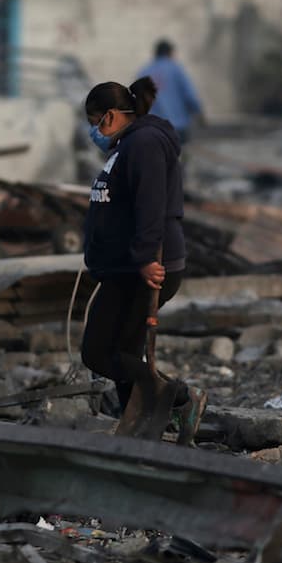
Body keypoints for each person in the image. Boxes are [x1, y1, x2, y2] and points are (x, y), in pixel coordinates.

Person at [81, 76, 207, 445]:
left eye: (94, 122)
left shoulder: (145, 143)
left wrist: (143, 258)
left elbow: (151, 206)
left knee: (103, 352)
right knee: (121, 352)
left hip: (145, 267)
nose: (93, 131)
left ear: (109, 117)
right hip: (124, 267)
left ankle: (181, 399)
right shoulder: (127, 145)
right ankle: (140, 424)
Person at [136, 39, 205, 142]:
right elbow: (189, 95)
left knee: (155, 157)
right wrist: (199, 113)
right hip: (177, 126)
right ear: (170, 53)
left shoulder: (144, 71)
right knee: (177, 156)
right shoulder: (176, 69)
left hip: (151, 128)